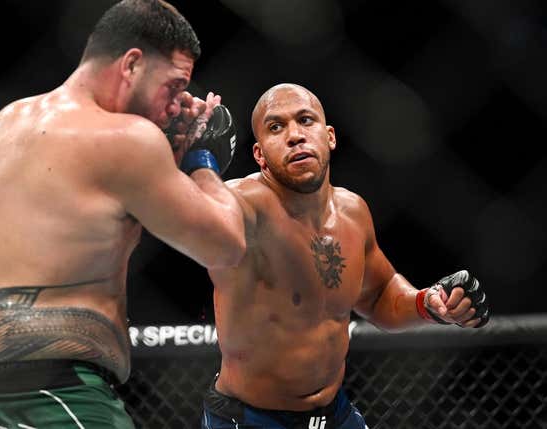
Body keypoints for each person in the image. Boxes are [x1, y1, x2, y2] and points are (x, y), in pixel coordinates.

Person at [0, 1, 246, 428]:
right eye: (173, 87)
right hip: (58, 399)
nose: (173, 108)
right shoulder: (127, 138)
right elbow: (226, 244)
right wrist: (202, 159)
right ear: (131, 64)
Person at [201, 83, 490, 429]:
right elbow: (194, 213)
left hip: (333, 416)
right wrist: (197, 161)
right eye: (276, 127)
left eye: (305, 120)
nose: (295, 135)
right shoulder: (246, 204)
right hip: (250, 419)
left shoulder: (353, 212)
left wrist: (429, 303)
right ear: (260, 155)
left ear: (330, 137)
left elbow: (380, 294)